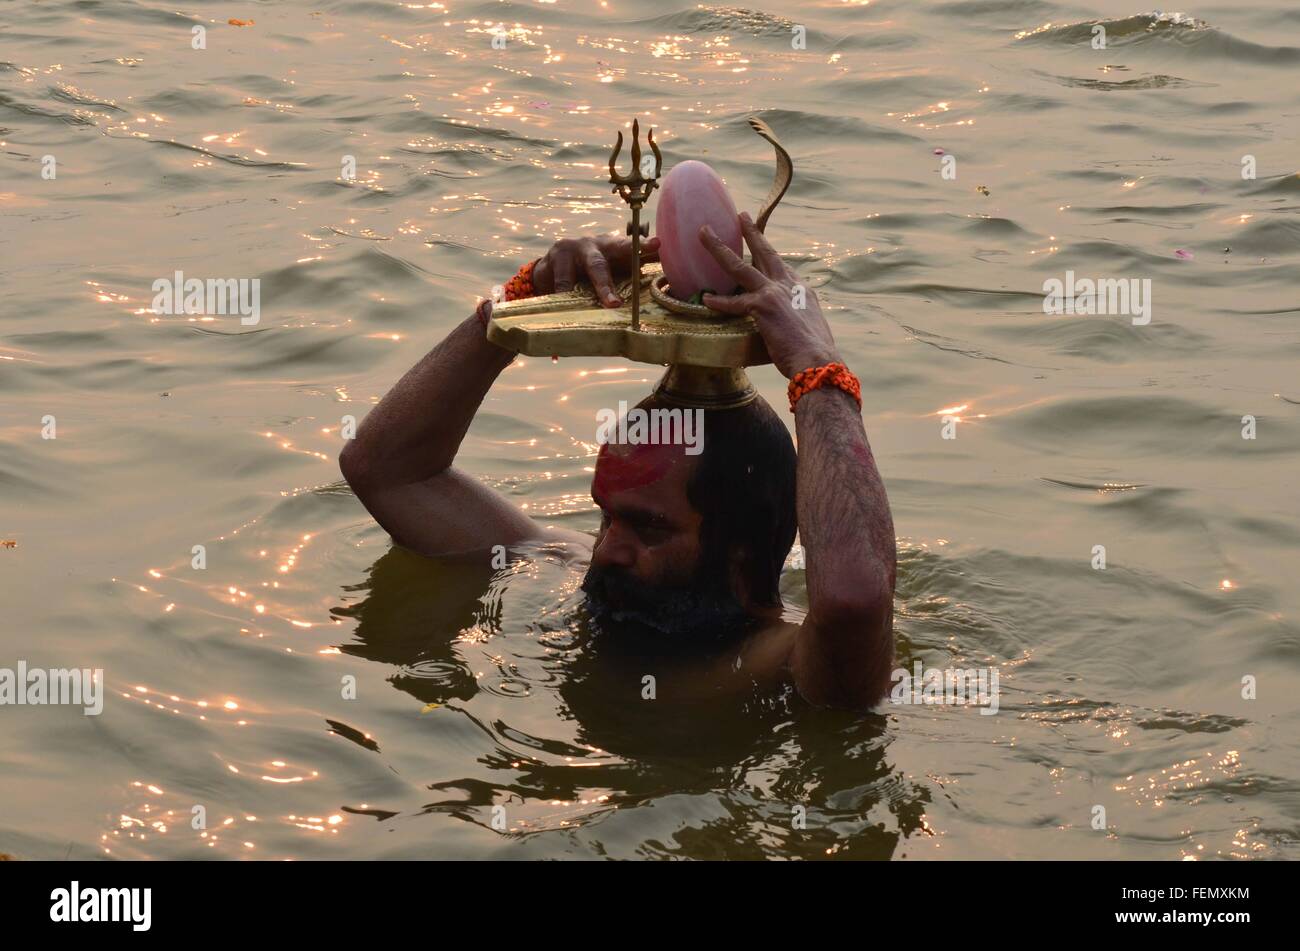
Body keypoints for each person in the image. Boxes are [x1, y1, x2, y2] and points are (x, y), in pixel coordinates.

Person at [339, 212, 896, 709]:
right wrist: (522, 301)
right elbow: (385, 470)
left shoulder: (785, 666)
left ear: (743, 555)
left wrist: (818, 369)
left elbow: (853, 601)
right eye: (607, 515)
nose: (606, 551)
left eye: (650, 529)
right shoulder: (568, 566)